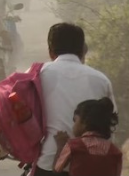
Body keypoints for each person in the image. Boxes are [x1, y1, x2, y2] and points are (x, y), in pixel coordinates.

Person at [34, 23, 115, 176]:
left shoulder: (37, 75)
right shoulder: (101, 79)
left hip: (48, 162)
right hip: (92, 164)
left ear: (51, 52)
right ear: (83, 50)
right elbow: (111, 124)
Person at [53, 98, 122, 176]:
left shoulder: (73, 145)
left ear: (85, 122)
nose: (73, 126)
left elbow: (57, 169)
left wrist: (61, 145)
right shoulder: (115, 152)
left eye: (75, 120)